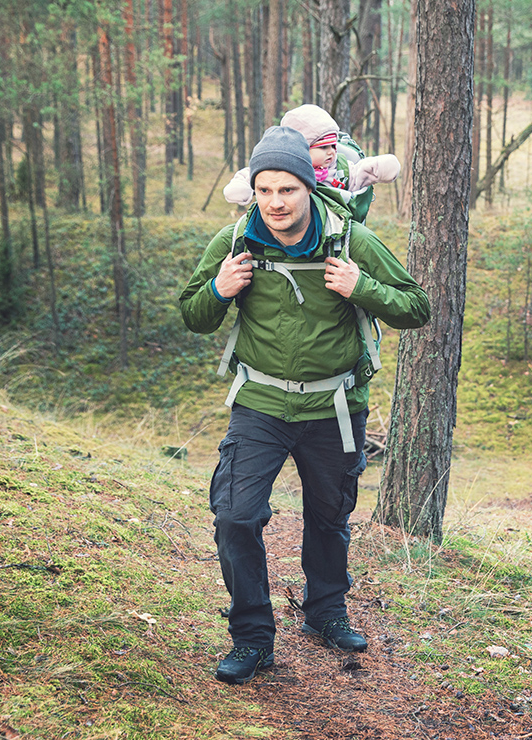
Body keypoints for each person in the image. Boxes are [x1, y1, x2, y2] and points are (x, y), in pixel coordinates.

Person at [181, 125, 430, 685]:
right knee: (235, 517)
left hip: (335, 405)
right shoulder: (235, 241)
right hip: (261, 402)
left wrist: (362, 287)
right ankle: (252, 637)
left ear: (307, 188)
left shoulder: (349, 240)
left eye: (287, 190)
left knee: (329, 515)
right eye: (265, 190)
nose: (275, 203)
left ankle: (325, 611)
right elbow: (192, 314)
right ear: (254, 189)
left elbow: (417, 307)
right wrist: (220, 289)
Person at [223, 104, 401, 224]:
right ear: (301, 147)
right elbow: (252, 175)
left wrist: (379, 167)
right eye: (323, 147)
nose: (332, 151)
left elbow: (360, 173)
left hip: (334, 232)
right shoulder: (282, 166)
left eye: (333, 145)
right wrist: (241, 186)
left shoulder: (339, 170)